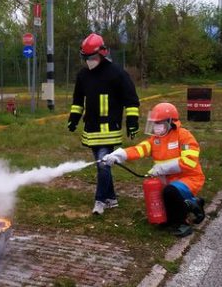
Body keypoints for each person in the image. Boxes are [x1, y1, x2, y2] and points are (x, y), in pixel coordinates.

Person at [103, 102, 206, 237]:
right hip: (167, 180)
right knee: (163, 198)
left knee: (170, 192)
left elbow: (189, 162)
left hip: (189, 179)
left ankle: (183, 223)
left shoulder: (184, 136)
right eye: (154, 123)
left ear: (170, 122)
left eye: (159, 123)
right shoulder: (156, 139)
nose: (156, 127)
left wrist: (162, 168)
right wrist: (119, 155)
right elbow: (139, 149)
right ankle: (193, 204)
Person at [68, 33, 140, 216]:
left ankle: (99, 201)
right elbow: (78, 101)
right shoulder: (83, 75)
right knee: (104, 165)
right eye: (86, 58)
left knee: (103, 164)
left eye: (91, 57)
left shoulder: (117, 73)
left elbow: (131, 99)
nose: (89, 61)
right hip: (91, 130)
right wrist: (74, 119)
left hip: (110, 130)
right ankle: (112, 198)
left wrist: (132, 121)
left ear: (101, 53)